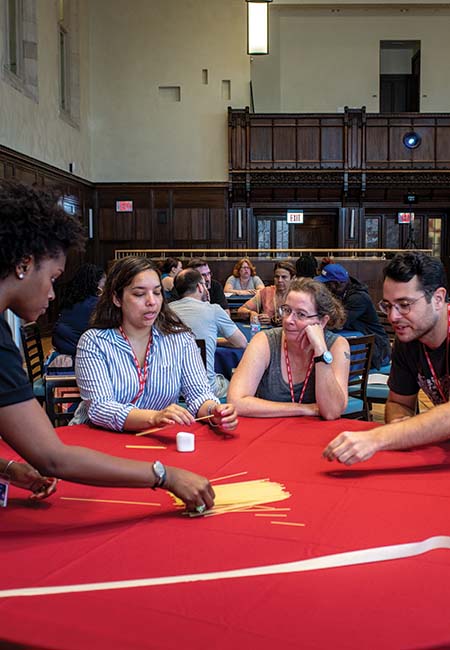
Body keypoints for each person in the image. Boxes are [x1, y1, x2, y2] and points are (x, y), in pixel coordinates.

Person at [0, 181, 215, 511]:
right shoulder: (94, 340)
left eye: (157, 292)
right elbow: (52, 457)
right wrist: (164, 474)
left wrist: (8, 468)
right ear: (23, 265)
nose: (53, 294)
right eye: (54, 278)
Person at [73, 256, 238, 434]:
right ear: (117, 298)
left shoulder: (180, 338)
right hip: (100, 438)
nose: (152, 301)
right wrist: (154, 417)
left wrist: (213, 411)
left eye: (157, 292)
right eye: (139, 294)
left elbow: (199, 394)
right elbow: (100, 408)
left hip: (155, 438)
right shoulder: (94, 342)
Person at [323, 251, 450, 466]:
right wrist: (403, 429)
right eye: (388, 306)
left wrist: (380, 438)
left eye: (404, 304)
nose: (393, 317)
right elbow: (399, 403)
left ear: (438, 298)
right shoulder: (408, 339)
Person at [228, 278, 350, 419]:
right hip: (269, 433)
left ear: (322, 321)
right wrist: (304, 409)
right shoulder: (265, 341)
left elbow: (332, 412)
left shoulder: (337, 345)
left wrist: (321, 350)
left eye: (301, 314)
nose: (288, 320)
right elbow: (236, 401)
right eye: (286, 310)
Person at [171, 269, 247, 398]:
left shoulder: (165, 312)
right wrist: (211, 341)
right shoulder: (213, 310)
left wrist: (211, 340)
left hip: (172, 389)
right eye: (204, 284)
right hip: (205, 390)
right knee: (233, 384)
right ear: (200, 287)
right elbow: (242, 343)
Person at [315, 262, 391, 370]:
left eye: (327, 284)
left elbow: (337, 323)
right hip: (362, 347)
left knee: (337, 363)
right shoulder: (342, 293)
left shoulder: (358, 298)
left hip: (377, 352)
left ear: (338, 284)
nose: (325, 287)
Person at [51, 263, 105, 363]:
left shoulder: (70, 299)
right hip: (76, 356)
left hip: (61, 349)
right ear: (96, 282)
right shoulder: (94, 304)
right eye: (104, 279)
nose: (105, 283)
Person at [237, 261, 296, 326]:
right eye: (277, 277)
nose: (280, 280)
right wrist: (251, 313)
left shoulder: (298, 295)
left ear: (293, 278)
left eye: (284, 277)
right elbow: (241, 310)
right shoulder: (266, 292)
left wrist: (272, 320)